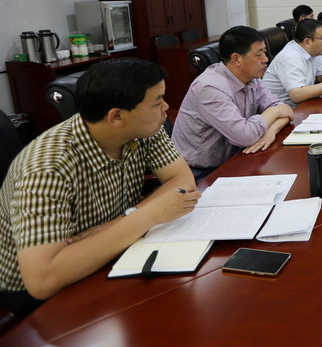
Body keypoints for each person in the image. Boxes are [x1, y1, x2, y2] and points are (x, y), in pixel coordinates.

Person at [0, 58, 200, 317]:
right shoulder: (46, 168)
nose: (166, 107)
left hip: (111, 253)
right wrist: (148, 215)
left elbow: (182, 181)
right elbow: (42, 280)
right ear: (116, 116)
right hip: (40, 294)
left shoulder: (143, 128)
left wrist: (124, 220)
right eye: (157, 102)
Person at [172, 26, 294, 180]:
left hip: (236, 158)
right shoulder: (210, 88)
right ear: (236, 59)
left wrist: (271, 132)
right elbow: (245, 136)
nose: (266, 59)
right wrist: (274, 112)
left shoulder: (252, 78)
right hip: (200, 173)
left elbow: (286, 110)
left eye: (265, 52)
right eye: (259, 54)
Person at [263, 18, 322, 106]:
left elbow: (320, 76)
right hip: (283, 110)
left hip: (303, 105)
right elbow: (297, 95)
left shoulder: (312, 51)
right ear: (307, 42)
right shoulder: (290, 57)